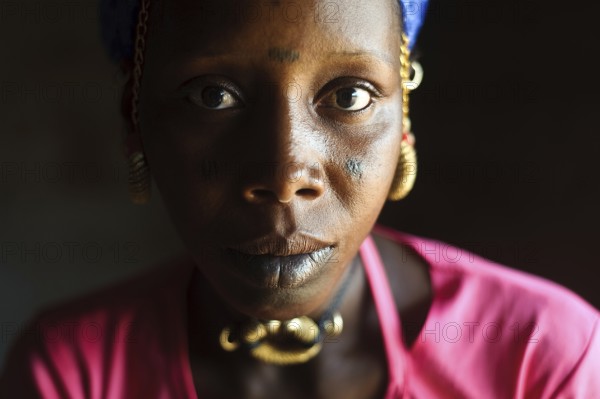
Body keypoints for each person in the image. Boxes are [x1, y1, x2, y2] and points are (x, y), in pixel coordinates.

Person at [1, 0, 598, 398]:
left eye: (352, 96)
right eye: (213, 95)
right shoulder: (73, 373)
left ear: (404, 119)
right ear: (135, 118)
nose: (285, 174)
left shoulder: (541, 358)